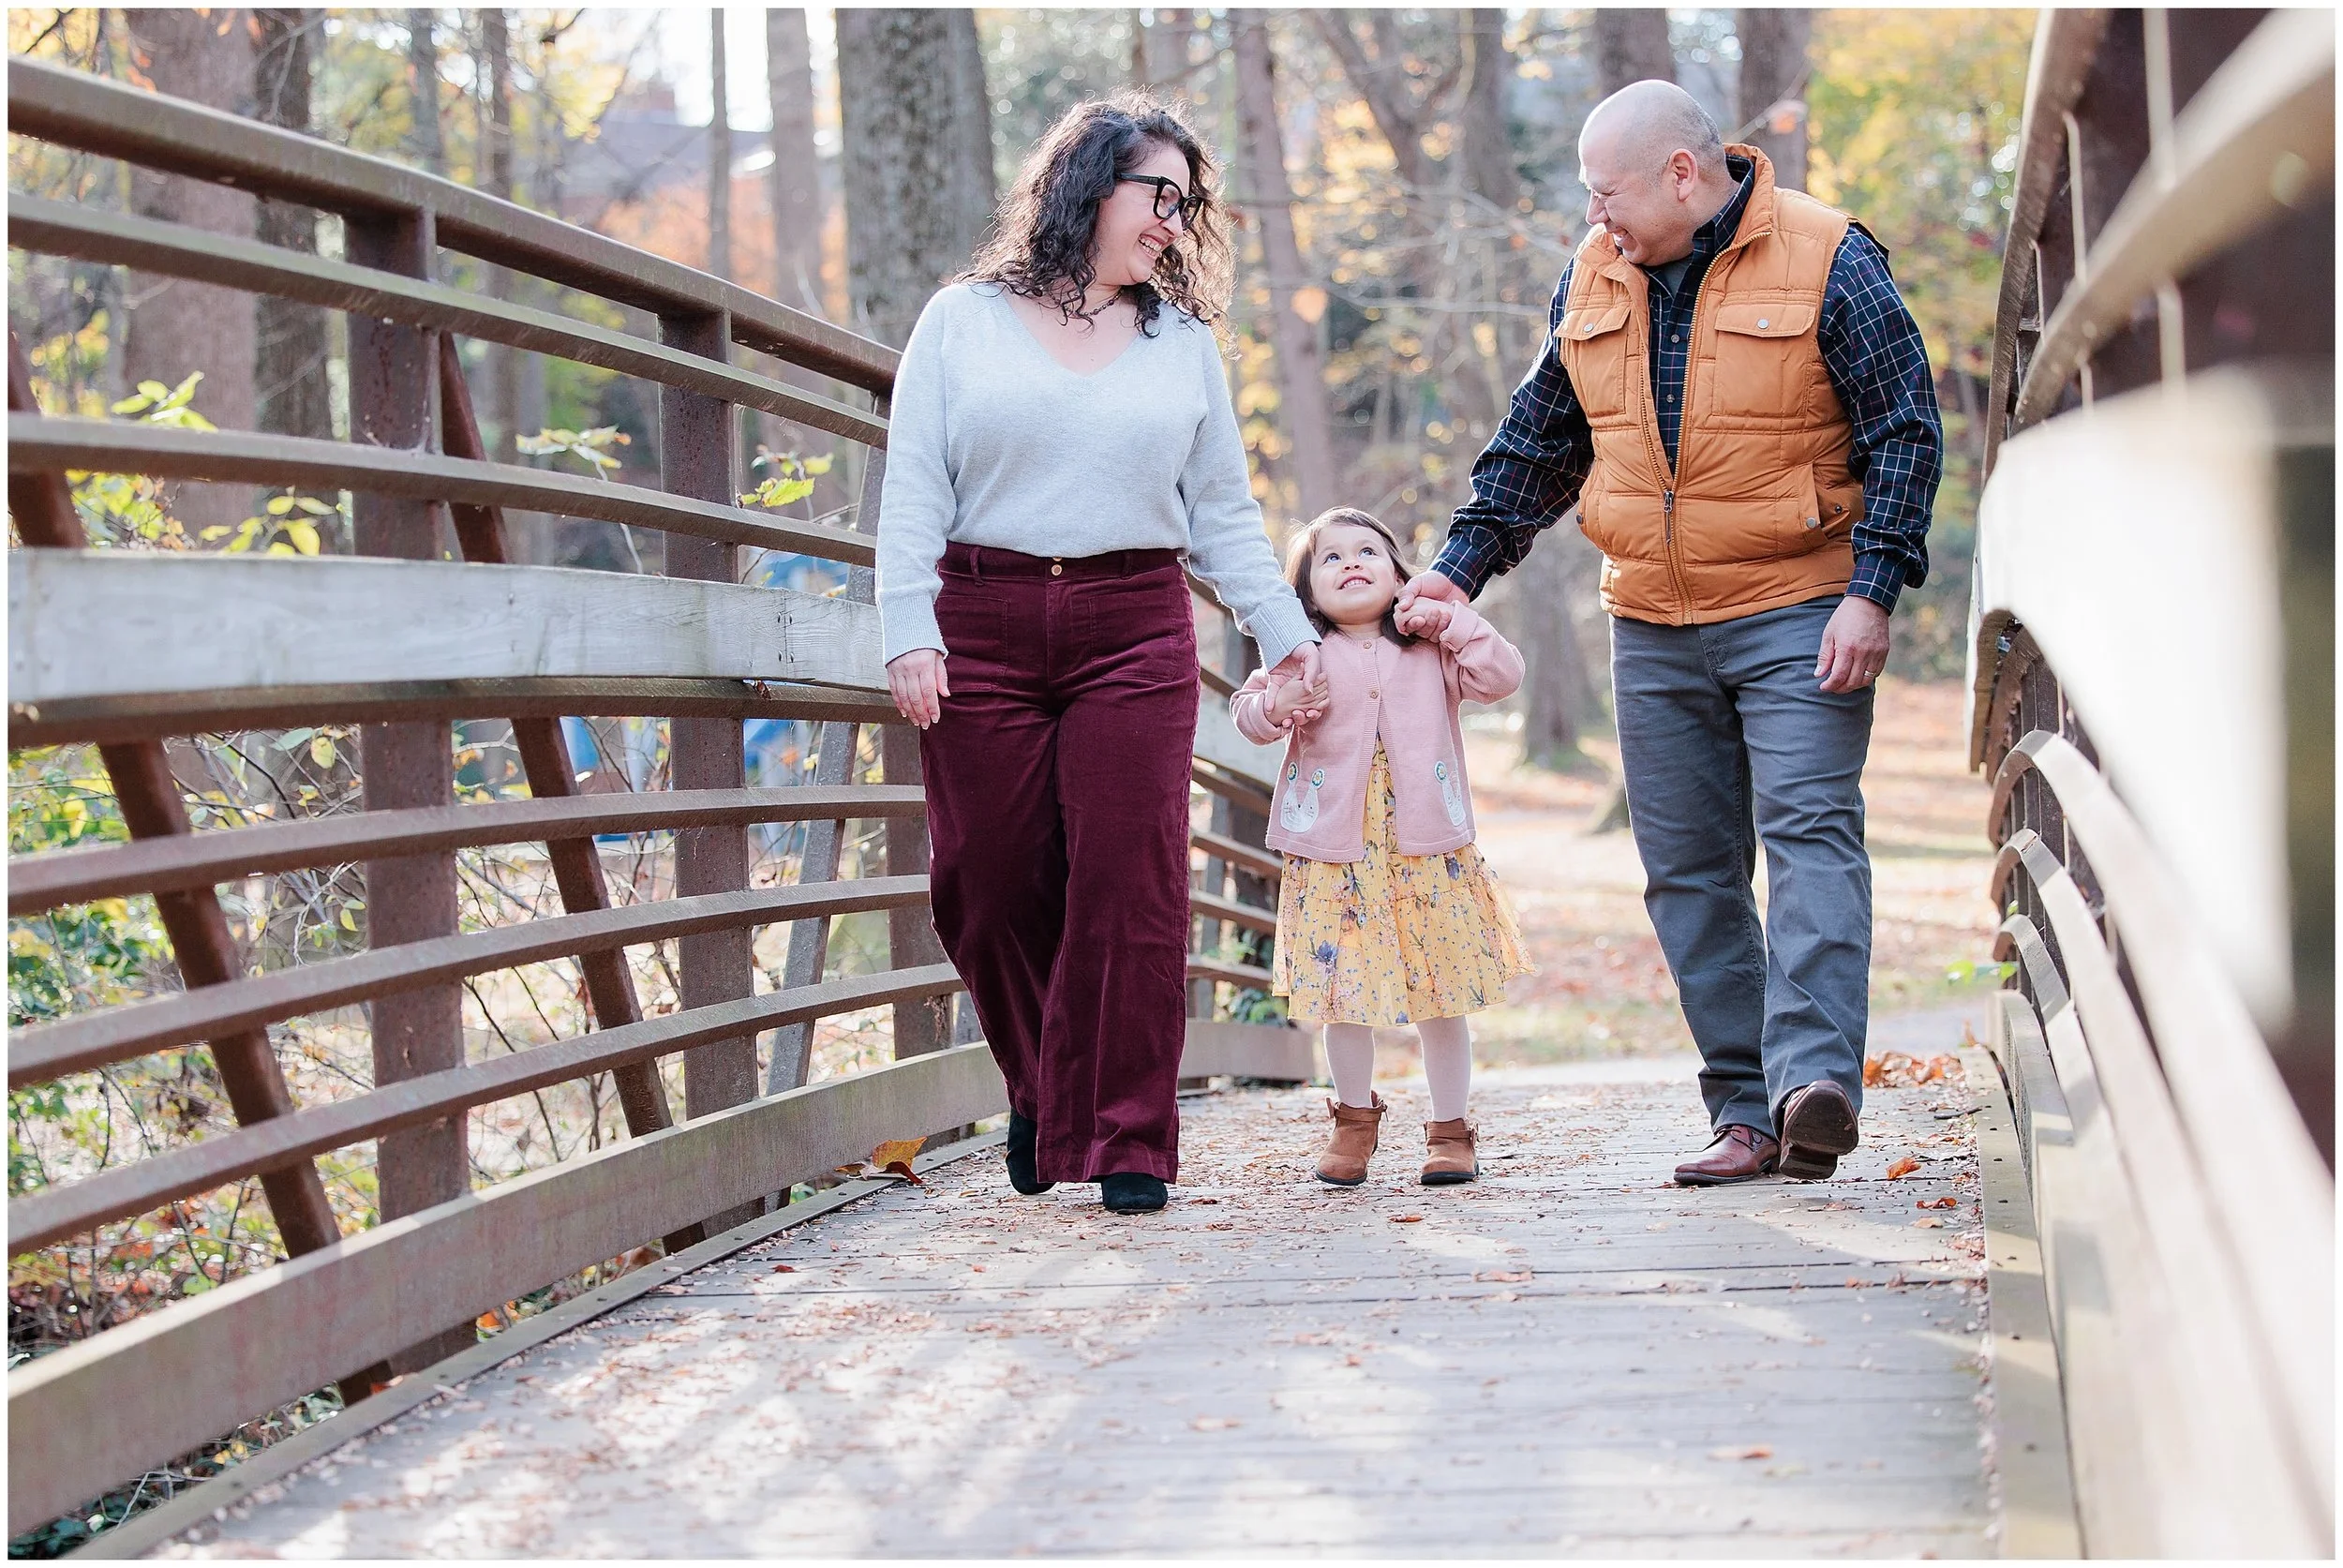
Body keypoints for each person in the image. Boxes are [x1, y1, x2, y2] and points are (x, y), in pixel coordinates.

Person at [1396, 81, 1944, 1185]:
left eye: (1608, 193)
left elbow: (1905, 428)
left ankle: (1811, 1085)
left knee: (1807, 833)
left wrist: (1873, 589)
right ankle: (1745, 1110)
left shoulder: (1830, 256)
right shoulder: (1594, 273)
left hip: (1800, 605)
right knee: (1688, 872)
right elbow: (1541, 439)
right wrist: (1457, 572)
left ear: (1680, 176)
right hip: (1650, 617)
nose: (1596, 216)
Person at [876, 93, 1321, 1216]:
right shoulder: (961, 320)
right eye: (1154, 195)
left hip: (1133, 620)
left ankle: (1130, 1137)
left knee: (1132, 882)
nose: (1172, 221)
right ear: (1084, 187)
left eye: (1185, 203)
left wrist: (1284, 629)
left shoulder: (1181, 346)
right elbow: (914, 485)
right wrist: (906, 627)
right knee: (986, 881)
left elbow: (1222, 511)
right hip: (981, 612)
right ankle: (1045, 1085)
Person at [1232, 508, 1531, 1187]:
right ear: (1306, 592)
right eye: (1330, 558)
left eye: (1369, 549)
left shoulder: (1429, 648)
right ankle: (1353, 1120)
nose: (1352, 563)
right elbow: (1248, 712)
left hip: (1424, 851)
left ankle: (1451, 1129)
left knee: (1439, 993)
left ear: (1401, 575)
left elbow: (1503, 674)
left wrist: (1452, 618)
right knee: (1344, 997)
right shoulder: (1297, 656)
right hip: (1336, 859)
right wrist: (1278, 707)